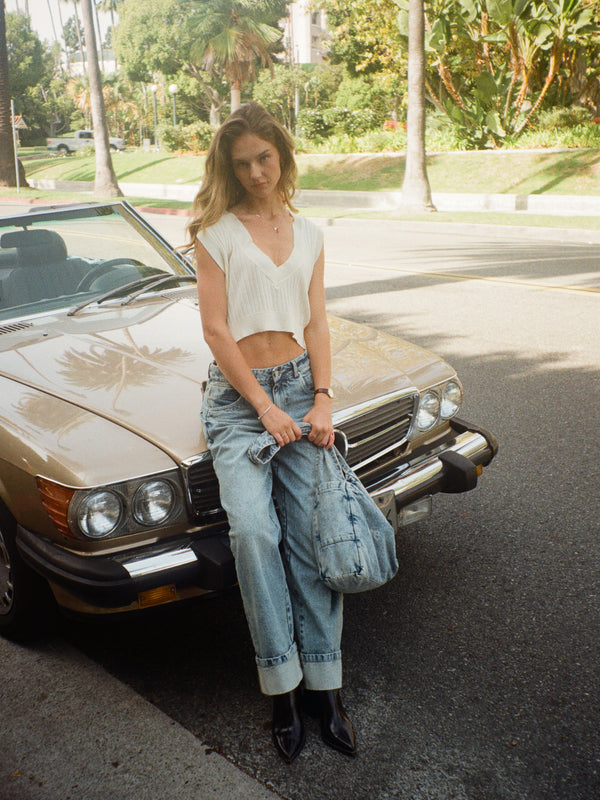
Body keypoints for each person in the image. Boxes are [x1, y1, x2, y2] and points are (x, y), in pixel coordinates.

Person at [188, 102, 356, 764]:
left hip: (298, 391)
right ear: (229, 170)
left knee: (315, 535)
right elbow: (216, 330)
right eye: (242, 164)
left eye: (265, 157)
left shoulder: (310, 233)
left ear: (281, 153)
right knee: (255, 534)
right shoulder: (215, 232)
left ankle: (326, 688)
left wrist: (321, 399)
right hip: (239, 402)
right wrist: (262, 406)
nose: (257, 172)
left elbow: (316, 323)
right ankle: (282, 690)